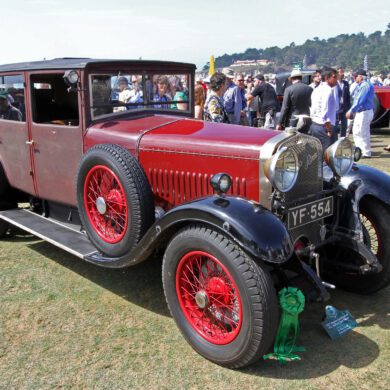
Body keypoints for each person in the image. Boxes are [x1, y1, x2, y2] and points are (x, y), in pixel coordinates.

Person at [346, 69, 375, 158]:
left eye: (356, 76)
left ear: (361, 77)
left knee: (363, 132)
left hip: (365, 112)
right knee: (356, 132)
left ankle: (366, 152)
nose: (355, 77)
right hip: (361, 112)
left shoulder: (365, 86)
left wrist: (351, 110)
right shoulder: (361, 85)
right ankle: (359, 151)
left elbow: (359, 100)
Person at [309, 67, 339, 151]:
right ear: (326, 78)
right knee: (327, 155)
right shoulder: (327, 90)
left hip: (315, 125)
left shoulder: (317, 89)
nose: (336, 79)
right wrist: (329, 130)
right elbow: (324, 111)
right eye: (334, 77)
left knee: (318, 153)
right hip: (324, 127)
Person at [335, 67, 351, 137]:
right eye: (340, 72)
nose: (342, 74)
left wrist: (349, 109)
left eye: (343, 72)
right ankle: (334, 140)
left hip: (344, 109)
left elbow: (348, 97)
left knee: (344, 126)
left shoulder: (346, 83)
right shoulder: (334, 84)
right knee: (335, 126)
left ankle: (342, 140)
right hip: (336, 109)